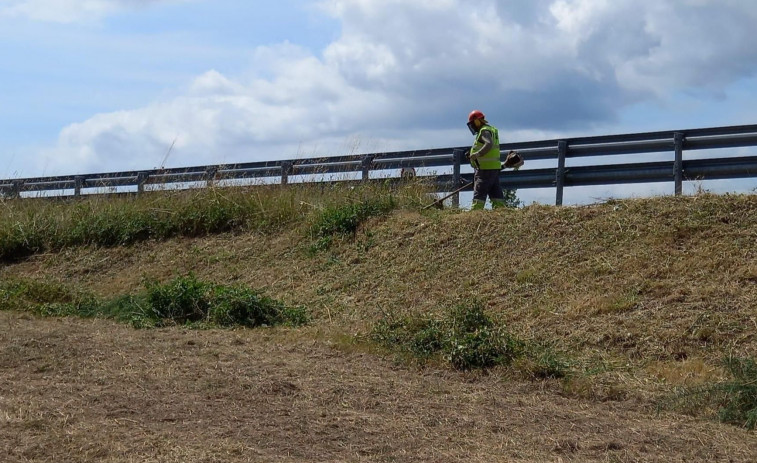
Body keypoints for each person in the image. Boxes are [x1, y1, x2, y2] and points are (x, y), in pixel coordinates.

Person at [466, 110, 506, 210]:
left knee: (479, 195)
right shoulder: (492, 129)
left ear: (477, 121)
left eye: (472, 123)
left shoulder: (484, 131)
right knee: (496, 195)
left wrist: (476, 154)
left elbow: (488, 144)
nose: (473, 126)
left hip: (484, 170)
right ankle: (501, 212)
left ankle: (475, 214)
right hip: (494, 169)